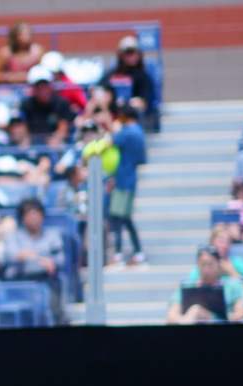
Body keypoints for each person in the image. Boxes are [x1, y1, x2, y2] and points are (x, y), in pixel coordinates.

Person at [167, 247, 243, 324]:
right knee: (195, 310)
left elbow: (240, 314)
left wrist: (212, 318)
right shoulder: (187, 287)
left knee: (196, 310)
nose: (206, 269)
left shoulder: (233, 286)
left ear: (219, 264)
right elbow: (172, 315)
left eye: (210, 264)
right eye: (203, 264)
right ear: (197, 265)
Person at [108, 106, 146, 265]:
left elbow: (111, 141)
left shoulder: (129, 131)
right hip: (128, 178)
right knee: (124, 217)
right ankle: (137, 252)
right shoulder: (139, 131)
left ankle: (119, 253)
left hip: (124, 180)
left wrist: (114, 127)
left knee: (118, 217)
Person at [0, 197, 63, 282]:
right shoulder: (12, 237)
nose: (34, 218)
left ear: (42, 216)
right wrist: (40, 259)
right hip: (19, 281)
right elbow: (11, 257)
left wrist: (30, 256)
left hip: (45, 280)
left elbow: (60, 259)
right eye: (29, 215)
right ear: (22, 218)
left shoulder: (52, 235)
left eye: (36, 214)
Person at [20, 66, 74, 148]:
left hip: (56, 147)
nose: (42, 90)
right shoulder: (26, 105)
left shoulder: (61, 103)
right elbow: (24, 129)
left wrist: (55, 140)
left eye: (45, 85)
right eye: (39, 86)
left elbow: (63, 128)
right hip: (34, 146)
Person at [101, 36, 155, 113]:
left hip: (133, 115)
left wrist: (131, 103)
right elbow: (100, 88)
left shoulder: (143, 76)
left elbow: (146, 102)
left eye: (135, 52)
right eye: (129, 52)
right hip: (113, 112)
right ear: (121, 55)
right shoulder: (113, 74)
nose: (133, 56)